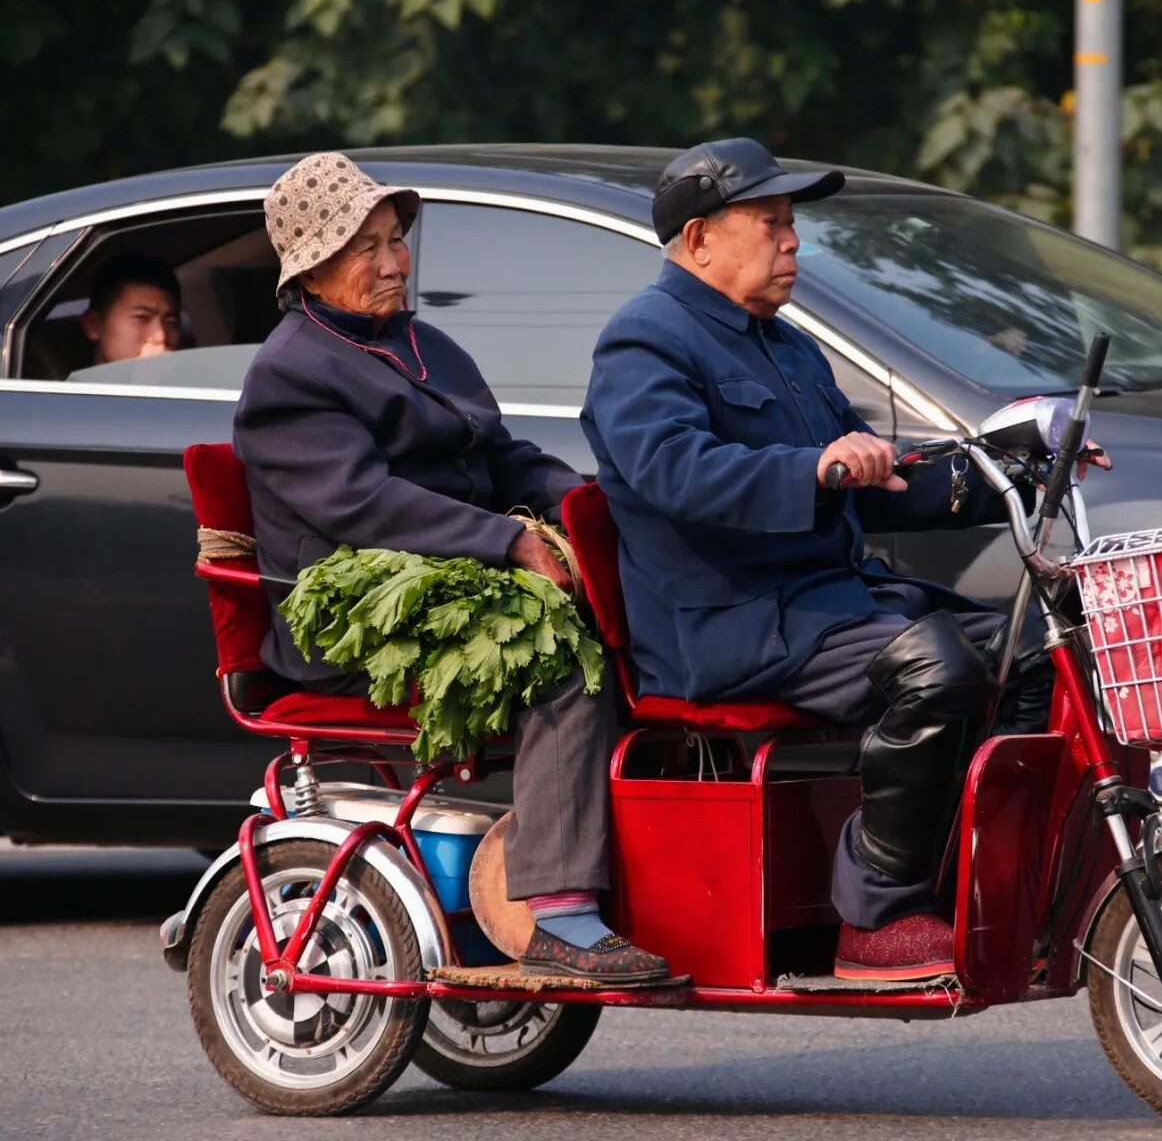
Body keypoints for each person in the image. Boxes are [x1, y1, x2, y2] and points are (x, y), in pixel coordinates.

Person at [582, 137, 1110, 982]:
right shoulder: (646, 339)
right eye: (771, 223)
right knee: (935, 669)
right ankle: (875, 918)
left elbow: (873, 479)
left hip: (829, 604)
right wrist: (814, 466)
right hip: (731, 625)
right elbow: (671, 473)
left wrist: (1015, 466)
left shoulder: (783, 345)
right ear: (699, 239)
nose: (792, 241)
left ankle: (980, 885)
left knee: (1029, 651)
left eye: (792, 224)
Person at [233, 152, 670, 987]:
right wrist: (507, 542)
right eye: (367, 247)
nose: (395, 262)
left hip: (455, 579)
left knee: (647, 620)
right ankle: (560, 913)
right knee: (559, 663)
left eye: (396, 240)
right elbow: (363, 505)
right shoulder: (290, 372)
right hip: (363, 620)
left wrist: (597, 514)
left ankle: (660, 882)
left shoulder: (421, 343)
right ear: (313, 266)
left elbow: (503, 458)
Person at [80, 251, 181, 365]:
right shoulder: (65, 383)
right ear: (93, 325)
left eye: (170, 322)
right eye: (142, 318)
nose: (161, 337)